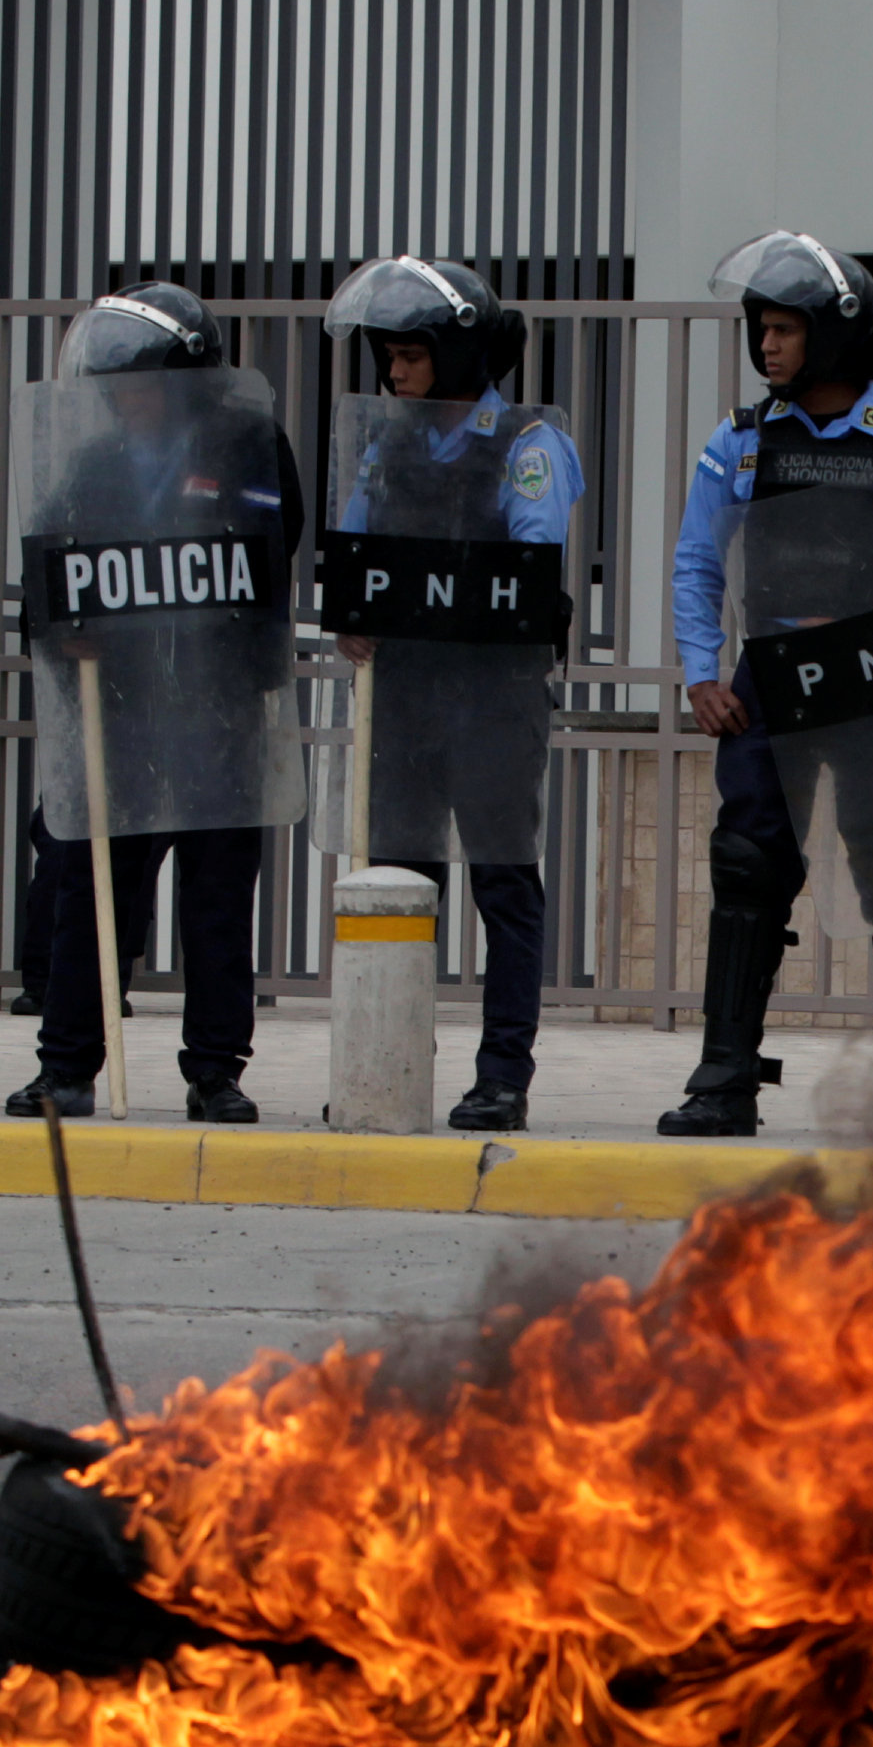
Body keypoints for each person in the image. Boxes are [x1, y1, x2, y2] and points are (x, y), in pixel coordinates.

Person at [661, 230, 873, 1138]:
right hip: (767, 679)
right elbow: (698, 562)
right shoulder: (738, 442)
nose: (765, 346)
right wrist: (701, 673)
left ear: (837, 337)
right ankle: (724, 1078)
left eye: (785, 330)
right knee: (747, 863)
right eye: (760, 329)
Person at [7, 281, 304, 1122]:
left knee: (215, 899)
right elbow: (48, 569)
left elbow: (268, 556)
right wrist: (66, 632)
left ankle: (215, 1071)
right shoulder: (96, 463)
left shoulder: (248, 444)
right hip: (125, 714)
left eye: (136, 380)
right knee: (93, 890)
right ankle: (66, 1066)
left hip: (217, 711)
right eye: (113, 384)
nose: (122, 399)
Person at [321, 255, 583, 1132]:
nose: (394, 374)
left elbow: (531, 562)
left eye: (411, 357)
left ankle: (503, 1074)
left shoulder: (527, 446)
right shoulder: (385, 444)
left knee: (504, 886)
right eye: (388, 357)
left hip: (492, 702)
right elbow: (351, 554)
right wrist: (349, 614)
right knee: (402, 879)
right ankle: (392, 1061)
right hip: (407, 698)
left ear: (459, 358)